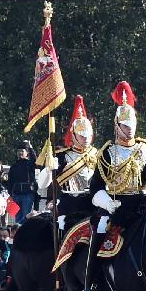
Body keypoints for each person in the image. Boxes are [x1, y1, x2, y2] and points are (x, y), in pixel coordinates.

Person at [82, 81, 146, 291]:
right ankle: (91, 287)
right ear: (117, 125)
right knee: (98, 236)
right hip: (115, 207)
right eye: (126, 126)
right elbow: (95, 186)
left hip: (142, 204)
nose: (130, 129)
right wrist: (107, 203)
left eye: (132, 125)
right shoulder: (107, 152)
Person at [53, 95, 97, 233]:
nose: (86, 139)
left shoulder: (97, 154)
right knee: (62, 230)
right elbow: (45, 184)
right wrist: (49, 169)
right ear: (74, 135)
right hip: (69, 202)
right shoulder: (62, 155)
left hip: (91, 202)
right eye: (82, 136)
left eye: (88, 136)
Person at [7, 141, 38, 224]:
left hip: (27, 195)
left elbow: (35, 159)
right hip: (16, 195)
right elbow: (10, 181)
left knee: (26, 216)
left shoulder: (30, 164)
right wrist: (11, 194)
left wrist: (30, 147)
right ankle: (18, 233)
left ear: (27, 153)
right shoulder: (14, 166)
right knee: (17, 218)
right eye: (18, 151)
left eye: (22, 151)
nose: (20, 153)